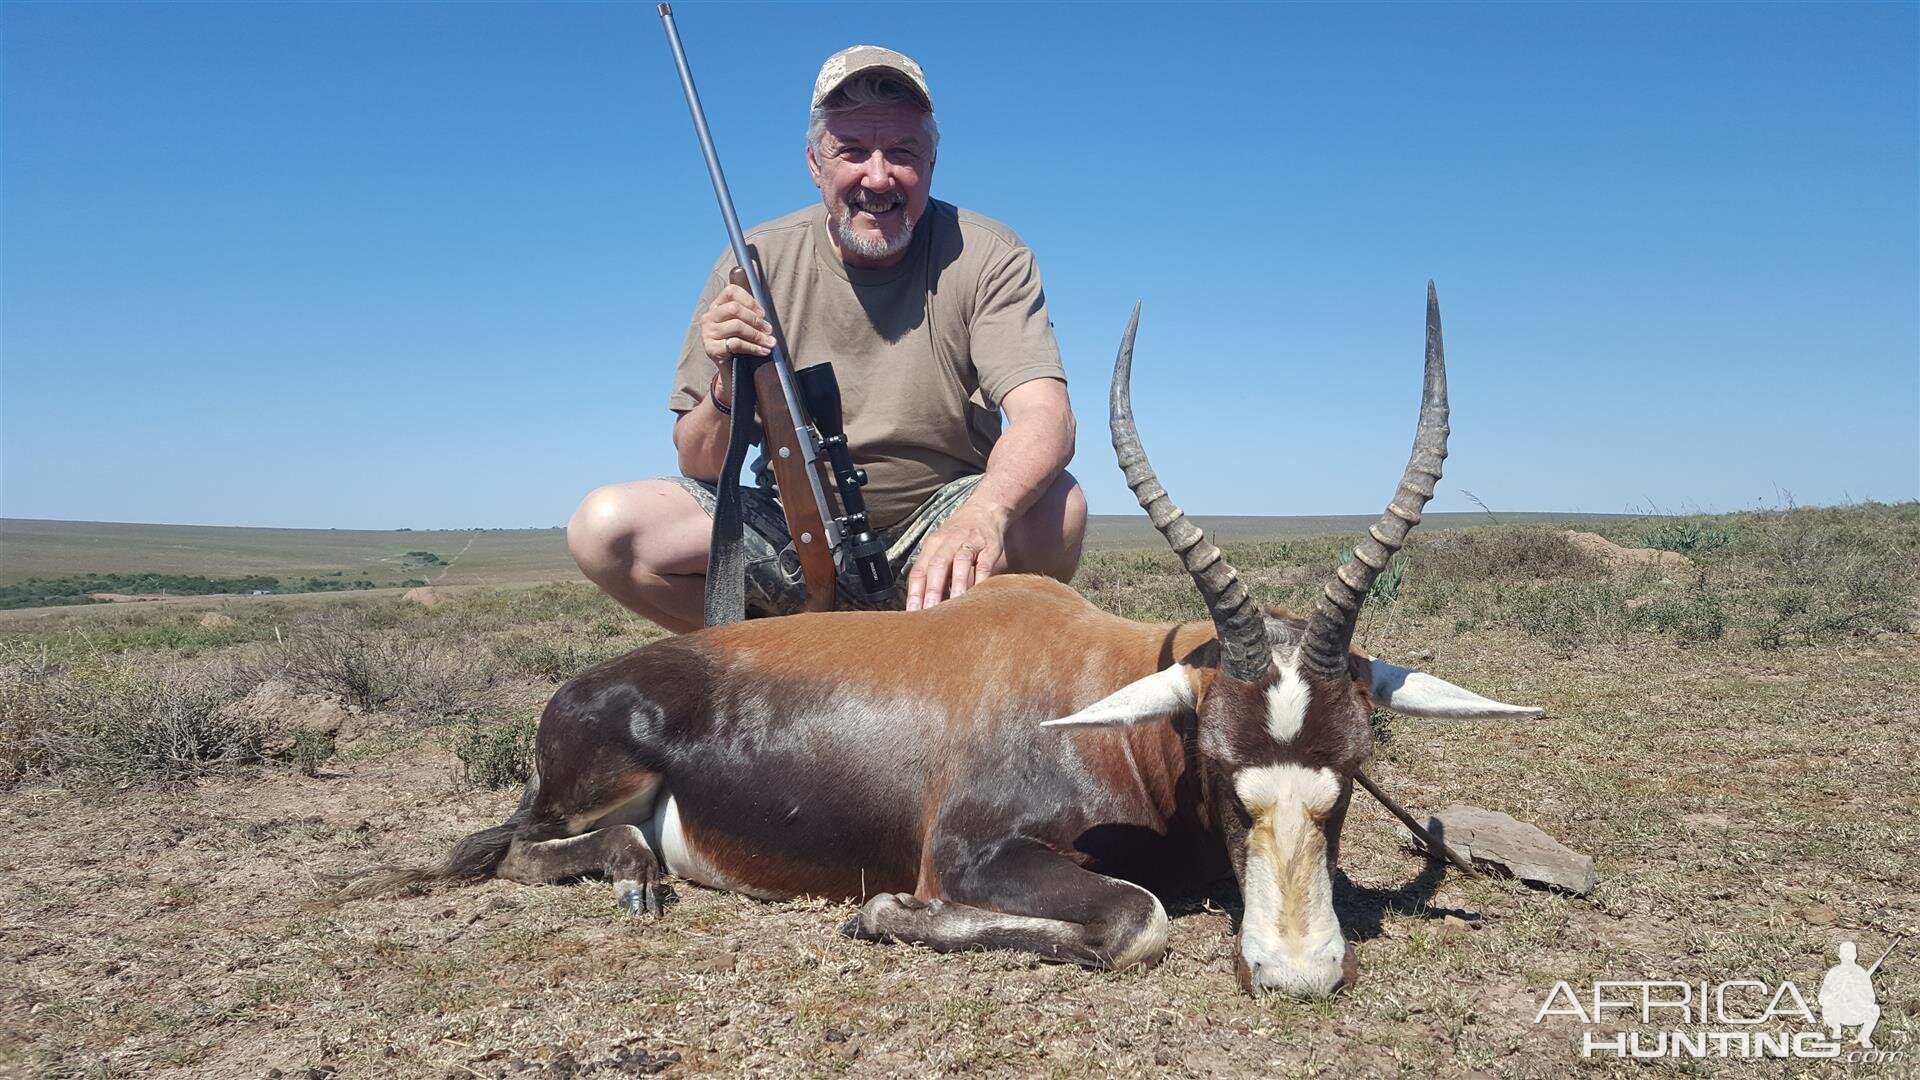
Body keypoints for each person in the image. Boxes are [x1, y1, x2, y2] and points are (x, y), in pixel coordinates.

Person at [568, 45, 1085, 632]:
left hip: (941, 524)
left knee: (1056, 509)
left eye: (902, 152)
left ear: (933, 160)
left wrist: (984, 515)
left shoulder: (989, 253)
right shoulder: (753, 262)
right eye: (853, 152)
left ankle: (947, 666)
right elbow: (698, 461)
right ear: (815, 163)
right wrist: (727, 384)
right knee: (605, 527)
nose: (878, 176)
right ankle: (782, 670)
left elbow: (1048, 417)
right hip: (796, 526)